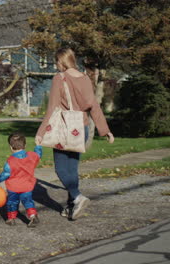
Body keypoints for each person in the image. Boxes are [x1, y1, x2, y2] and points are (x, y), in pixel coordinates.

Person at [35, 48, 114, 220]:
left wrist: (41, 133)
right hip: (81, 129)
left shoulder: (59, 78)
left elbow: (53, 108)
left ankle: (78, 197)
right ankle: (72, 207)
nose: (56, 65)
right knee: (72, 169)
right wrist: (105, 130)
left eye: (56, 62)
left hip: (65, 130)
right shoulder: (85, 78)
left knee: (61, 168)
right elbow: (94, 106)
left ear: (61, 61)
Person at [0, 132, 43, 227]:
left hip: (14, 188)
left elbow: (6, 174)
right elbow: (38, 155)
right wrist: (38, 146)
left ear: (10, 147)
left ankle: (11, 219)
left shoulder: (10, 161)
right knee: (28, 201)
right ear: (25, 145)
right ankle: (33, 215)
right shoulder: (31, 156)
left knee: (12, 202)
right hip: (27, 186)